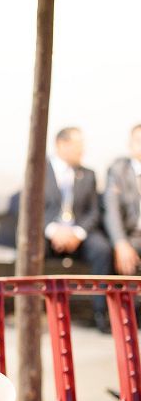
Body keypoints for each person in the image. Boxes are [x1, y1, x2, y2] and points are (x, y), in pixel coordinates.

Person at [44, 127, 112, 332]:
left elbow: (93, 212)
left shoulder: (88, 175)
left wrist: (77, 233)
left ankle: (101, 313)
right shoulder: (39, 170)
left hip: (79, 234)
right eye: (77, 144)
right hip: (49, 235)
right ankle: (35, 311)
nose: (82, 150)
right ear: (61, 144)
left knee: (102, 249)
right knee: (30, 250)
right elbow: (31, 209)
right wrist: (53, 230)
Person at [103, 124, 141, 275]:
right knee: (118, 253)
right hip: (130, 236)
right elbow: (112, 210)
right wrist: (120, 242)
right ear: (130, 144)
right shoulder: (118, 170)